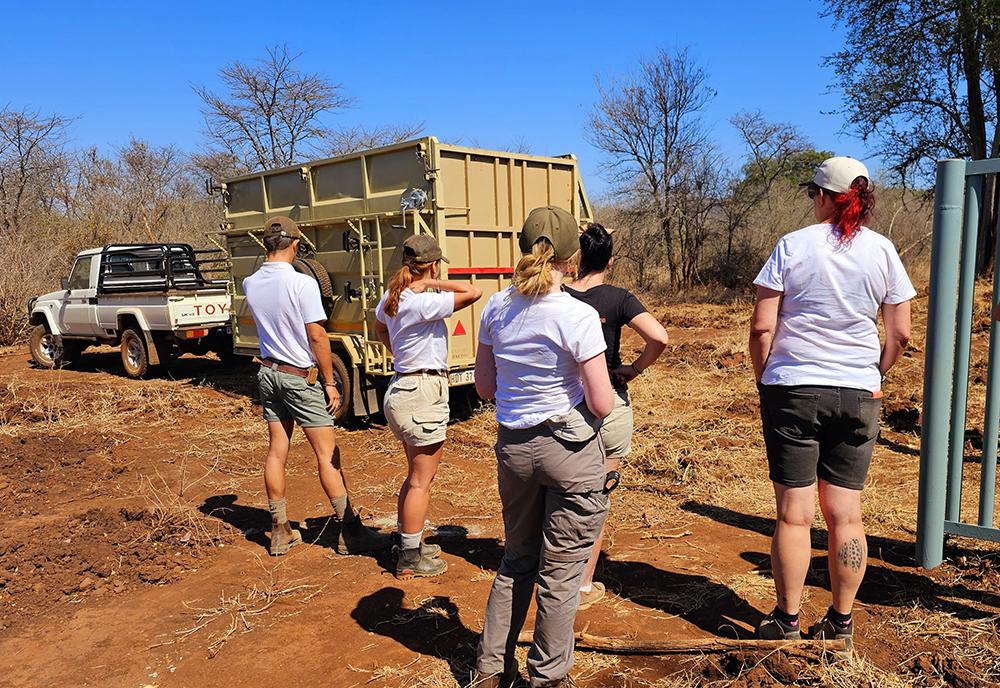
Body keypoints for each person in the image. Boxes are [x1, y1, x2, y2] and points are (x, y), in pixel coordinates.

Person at [749, 157, 914, 648]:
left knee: (793, 514)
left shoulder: (792, 246)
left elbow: (762, 326)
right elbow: (901, 332)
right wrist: (873, 373)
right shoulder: (883, 251)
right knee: (846, 514)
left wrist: (767, 378)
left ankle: (787, 619)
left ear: (822, 196)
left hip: (793, 390)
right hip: (858, 392)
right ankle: (841, 624)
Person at [470, 206, 615, 688]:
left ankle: (490, 669)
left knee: (517, 558)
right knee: (561, 573)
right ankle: (548, 677)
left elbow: (485, 388)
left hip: (514, 448)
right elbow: (601, 400)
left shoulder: (495, 306)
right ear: (572, 259)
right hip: (568, 452)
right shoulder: (578, 314)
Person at [243, 215, 390, 557]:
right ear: (295, 245)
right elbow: (317, 334)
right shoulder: (302, 284)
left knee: (277, 450)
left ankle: (279, 531)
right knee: (327, 455)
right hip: (299, 377)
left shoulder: (251, 282)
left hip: (268, 373)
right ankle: (350, 531)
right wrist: (329, 381)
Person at [564, 223, 669, 609]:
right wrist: (636, 368)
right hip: (608, 399)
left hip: (566, 403)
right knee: (599, 496)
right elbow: (659, 337)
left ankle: (554, 573)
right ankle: (583, 584)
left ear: (576, 257)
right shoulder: (619, 298)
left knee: (561, 492)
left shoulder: (558, 295)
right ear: (610, 260)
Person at [374, 234, 483, 579]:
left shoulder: (393, 296)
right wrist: (431, 282)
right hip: (422, 391)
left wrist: (401, 355)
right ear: (432, 264)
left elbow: (379, 328)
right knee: (422, 480)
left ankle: (410, 542)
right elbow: (472, 292)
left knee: (414, 476)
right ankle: (409, 557)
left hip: (403, 386)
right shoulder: (420, 301)